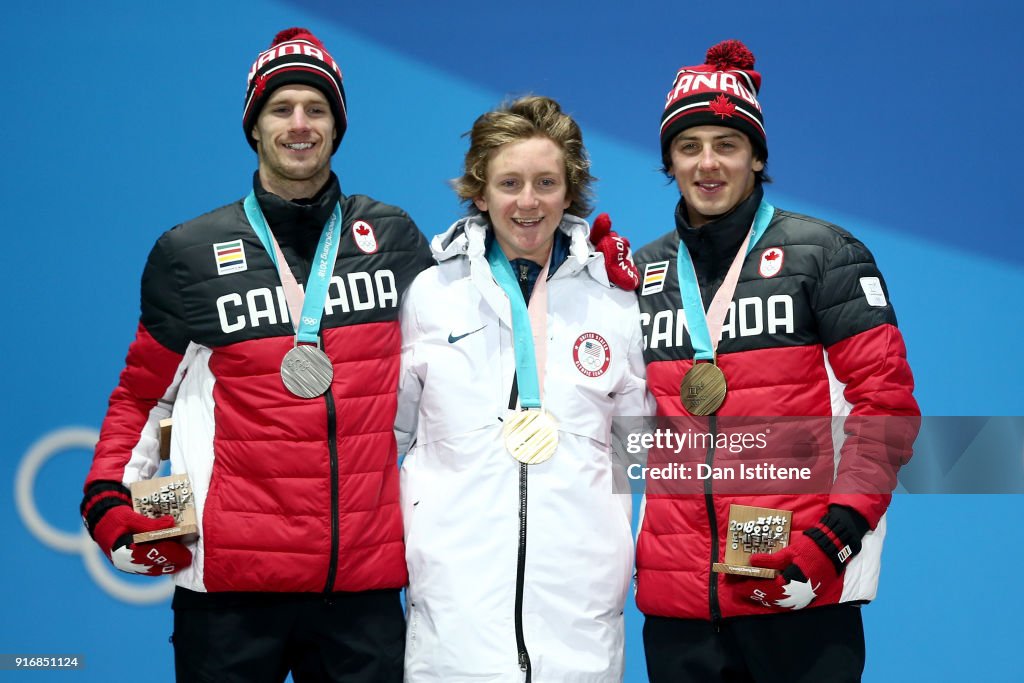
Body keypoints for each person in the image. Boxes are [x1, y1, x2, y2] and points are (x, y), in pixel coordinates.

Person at [78, 28, 435, 682]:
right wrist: (110, 497)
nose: (299, 125)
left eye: (316, 109)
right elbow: (145, 399)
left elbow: (463, 349)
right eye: (281, 109)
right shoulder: (189, 253)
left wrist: (586, 272)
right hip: (232, 597)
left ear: (337, 125)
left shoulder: (391, 238)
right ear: (253, 126)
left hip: (361, 590)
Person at [632, 40, 920, 682]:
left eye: (726, 145)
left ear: (757, 156)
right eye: (689, 146)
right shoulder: (647, 272)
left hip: (796, 584)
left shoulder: (825, 255)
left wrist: (836, 536)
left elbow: (887, 409)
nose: (708, 164)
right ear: (669, 163)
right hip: (680, 606)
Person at [394, 95, 650, 683]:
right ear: (480, 193)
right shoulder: (431, 296)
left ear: (570, 192)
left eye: (546, 182)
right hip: (455, 610)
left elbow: (641, 453)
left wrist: (613, 554)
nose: (528, 202)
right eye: (509, 182)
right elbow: (390, 437)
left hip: (579, 609)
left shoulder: (614, 302)